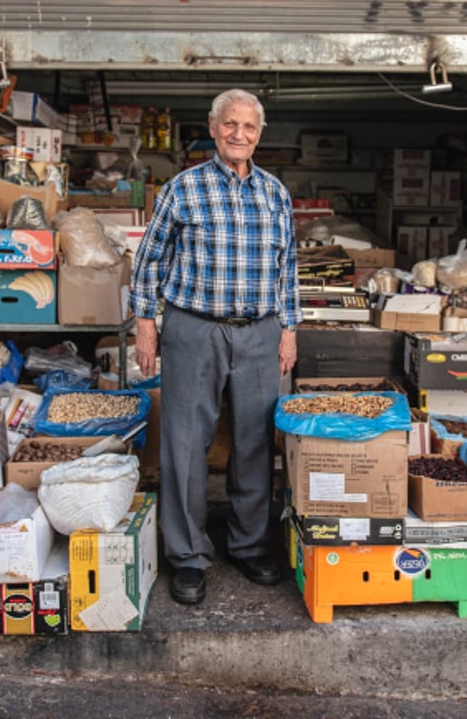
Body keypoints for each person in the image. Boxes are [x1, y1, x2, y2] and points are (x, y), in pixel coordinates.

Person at [130, 88, 301, 605]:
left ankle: (249, 545)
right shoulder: (183, 189)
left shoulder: (275, 193)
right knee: (184, 443)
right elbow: (148, 261)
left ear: (259, 133)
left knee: (254, 441)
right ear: (213, 125)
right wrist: (145, 324)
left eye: (249, 127)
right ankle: (187, 555)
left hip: (259, 331)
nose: (239, 135)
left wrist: (288, 329)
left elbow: (287, 268)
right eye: (230, 124)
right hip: (193, 328)